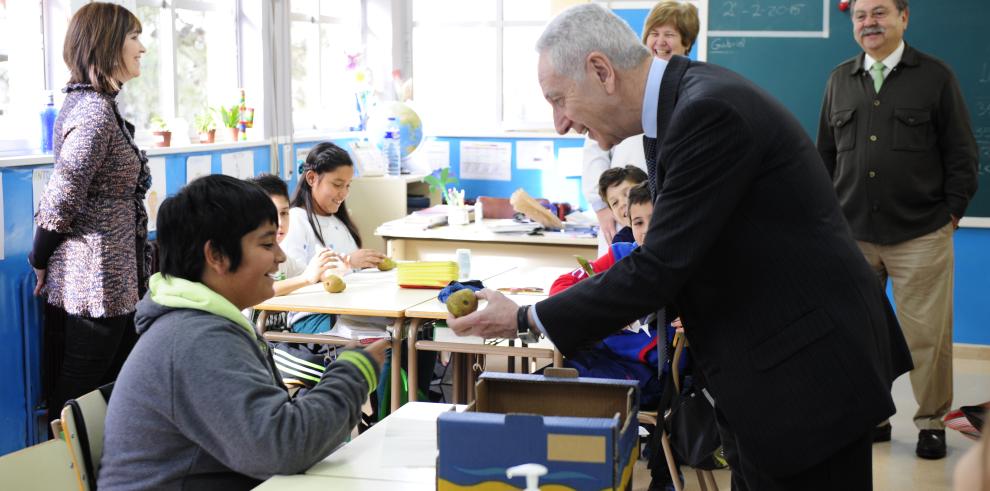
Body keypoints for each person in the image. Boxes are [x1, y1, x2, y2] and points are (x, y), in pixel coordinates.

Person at [448, 4, 912, 490]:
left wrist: (525, 318)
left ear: (601, 71)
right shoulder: (682, 104)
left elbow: (659, 267)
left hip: (807, 374)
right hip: (768, 366)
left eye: (559, 99)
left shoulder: (706, 112)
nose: (560, 123)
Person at [99, 175, 387, 490]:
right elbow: (284, 447)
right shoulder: (195, 339)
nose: (280, 256)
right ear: (217, 256)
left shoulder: (203, 325)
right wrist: (354, 372)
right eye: (266, 244)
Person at [816, 0, 978, 460]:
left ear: (903, 18)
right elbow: (823, 157)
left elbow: (962, 154)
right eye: (861, 15)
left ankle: (930, 423)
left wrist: (950, 214)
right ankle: (874, 416)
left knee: (927, 338)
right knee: (859, 333)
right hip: (852, 234)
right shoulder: (838, 81)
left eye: (880, 12)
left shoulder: (936, 77)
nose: (869, 22)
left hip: (920, 234)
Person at [29, 2, 151, 425]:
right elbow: (61, 195)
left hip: (112, 282)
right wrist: (39, 259)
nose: (143, 48)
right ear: (106, 44)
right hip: (95, 285)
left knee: (108, 398)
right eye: (134, 37)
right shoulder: (94, 112)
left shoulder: (98, 105)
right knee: (77, 403)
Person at [582, 0, 699, 254]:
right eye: (654, 34)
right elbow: (595, 147)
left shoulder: (693, 91)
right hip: (618, 209)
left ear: (686, 43)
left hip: (660, 211)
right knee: (615, 271)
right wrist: (603, 207)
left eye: (670, 35)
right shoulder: (625, 82)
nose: (660, 42)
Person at [279, 142, 386, 333]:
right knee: (383, 341)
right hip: (314, 314)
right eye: (337, 185)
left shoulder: (339, 221)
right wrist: (348, 262)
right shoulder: (296, 219)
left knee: (409, 332)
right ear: (311, 178)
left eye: (347, 186)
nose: (343, 193)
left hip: (349, 308)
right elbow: (295, 277)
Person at [247, 174, 344, 297]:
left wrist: (328, 270)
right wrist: (306, 279)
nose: (280, 223)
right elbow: (259, 289)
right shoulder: (244, 258)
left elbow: (310, 274)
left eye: (284, 213)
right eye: (270, 214)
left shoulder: (283, 260)